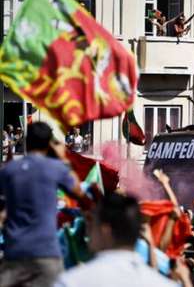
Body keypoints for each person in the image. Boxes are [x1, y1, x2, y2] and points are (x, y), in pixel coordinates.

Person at [0, 122, 84, 287]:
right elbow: (78, 191)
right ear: (48, 144)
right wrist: (63, 159)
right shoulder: (56, 168)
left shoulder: (8, 170)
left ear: (26, 141)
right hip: (46, 254)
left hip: (15, 253)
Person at [54, 193, 179, 287]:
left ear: (105, 230)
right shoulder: (164, 284)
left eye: (93, 224)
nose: (88, 231)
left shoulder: (71, 282)